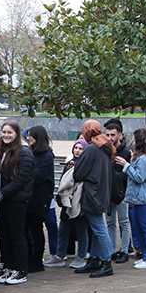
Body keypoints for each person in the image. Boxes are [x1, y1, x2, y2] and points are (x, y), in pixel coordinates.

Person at [0, 121, 34, 285]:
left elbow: (22, 180)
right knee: (4, 236)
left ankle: (20, 270)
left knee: (17, 236)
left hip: (16, 201)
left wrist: (2, 194)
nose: (6, 135)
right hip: (1, 201)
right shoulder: (3, 152)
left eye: (10, 132)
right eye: (4, 132)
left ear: (16, 134)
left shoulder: (23, 153)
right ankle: (9, 266)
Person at [73, 120, 116, 278]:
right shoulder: (105, 146)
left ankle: (106, 261)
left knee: (98, 227)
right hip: (102, 192)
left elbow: (79, 173)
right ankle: (95, 258)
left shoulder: (92, 148)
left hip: (93, 194)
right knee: (97, 228)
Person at [116, 128, 146, 269]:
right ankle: (145, 255)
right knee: (139, 228)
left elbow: (139, 177)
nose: (133, 142)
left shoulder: (144, 159)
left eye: (135, 139)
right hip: (138, 199)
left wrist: (126, 165)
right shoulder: (143, 158)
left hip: (143, 199)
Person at [48, 139, 91, 269]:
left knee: (82, 230)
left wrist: (75, 170)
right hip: (68, 203)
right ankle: (60, 256)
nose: (77, 151)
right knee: (63, 229)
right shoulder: (69, 164)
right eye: (76, 148)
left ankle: (81, 257)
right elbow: (63, 183)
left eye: (80, 148)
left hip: (80, 203)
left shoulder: (87, 164)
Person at [23, 126, 55, 273]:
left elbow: (38, 176)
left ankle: (37, 261)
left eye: (31, 136)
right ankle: (29, 257)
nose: (28, 138)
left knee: (36, 229)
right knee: (26, 229)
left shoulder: (47, 156)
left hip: (39, 199)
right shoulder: (31, 153)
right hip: (29, 198)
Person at [103, 119, 132, 264]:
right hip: (108, 191)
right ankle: (112, 250)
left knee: (123, 221)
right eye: (107, 135)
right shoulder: (105, 151)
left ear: (120, 135)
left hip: (121, 192)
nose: (110, 138)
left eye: (113, 135)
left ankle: (125, 250)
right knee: (110, 222)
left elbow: (126, 174)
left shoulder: (125, 152)